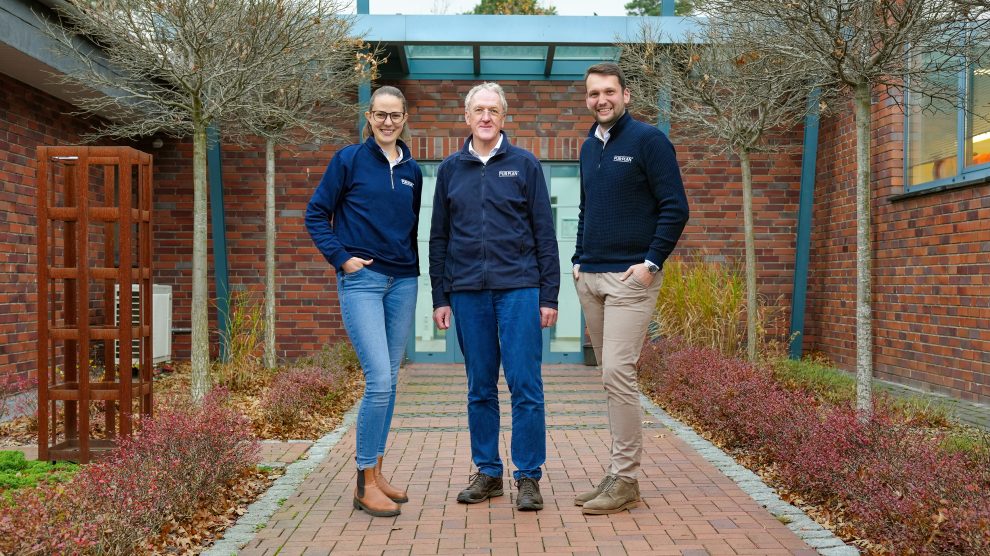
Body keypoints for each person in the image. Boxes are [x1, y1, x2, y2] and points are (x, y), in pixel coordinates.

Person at [429, 82, 559, 512]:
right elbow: (438, 237)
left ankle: (528, 476)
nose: (486, 117)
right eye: (479, 110)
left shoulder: (524, 165)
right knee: (480, 388)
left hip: (520, 289)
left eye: (493, 111)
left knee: (526, 386)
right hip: (468, 292)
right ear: (466, 118)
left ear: (504, 118)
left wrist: (549, 296)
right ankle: (488, 472)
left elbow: (545, 234)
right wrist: (440, 296)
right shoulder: (450, 170)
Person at [572, 63, 690, 515]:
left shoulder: (649, 140)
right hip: (591, 277)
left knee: (618, 373)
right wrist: (578, 259)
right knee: (610, 379)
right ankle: (616, 474)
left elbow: (675, 207)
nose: (601, 100)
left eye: (609, 92)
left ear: (626, 95)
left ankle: (625, 480)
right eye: (593, 93)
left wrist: (651, 263)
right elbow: (586, 207)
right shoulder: (589, 146)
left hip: (630, 279)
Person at [305, 86, 422, 518]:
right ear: (369, 117)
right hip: (363, 282)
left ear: (405, 119)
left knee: (391, 380)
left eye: (395, 115)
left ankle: (377, 471)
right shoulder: (348, 160)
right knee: (379, 381)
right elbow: (316, 214)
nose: (388, 122)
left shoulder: (412, 170)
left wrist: (412, 270)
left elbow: (410, 226)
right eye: (380, 115)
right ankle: (362, 482)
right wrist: (341, 258)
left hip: (403, 283)